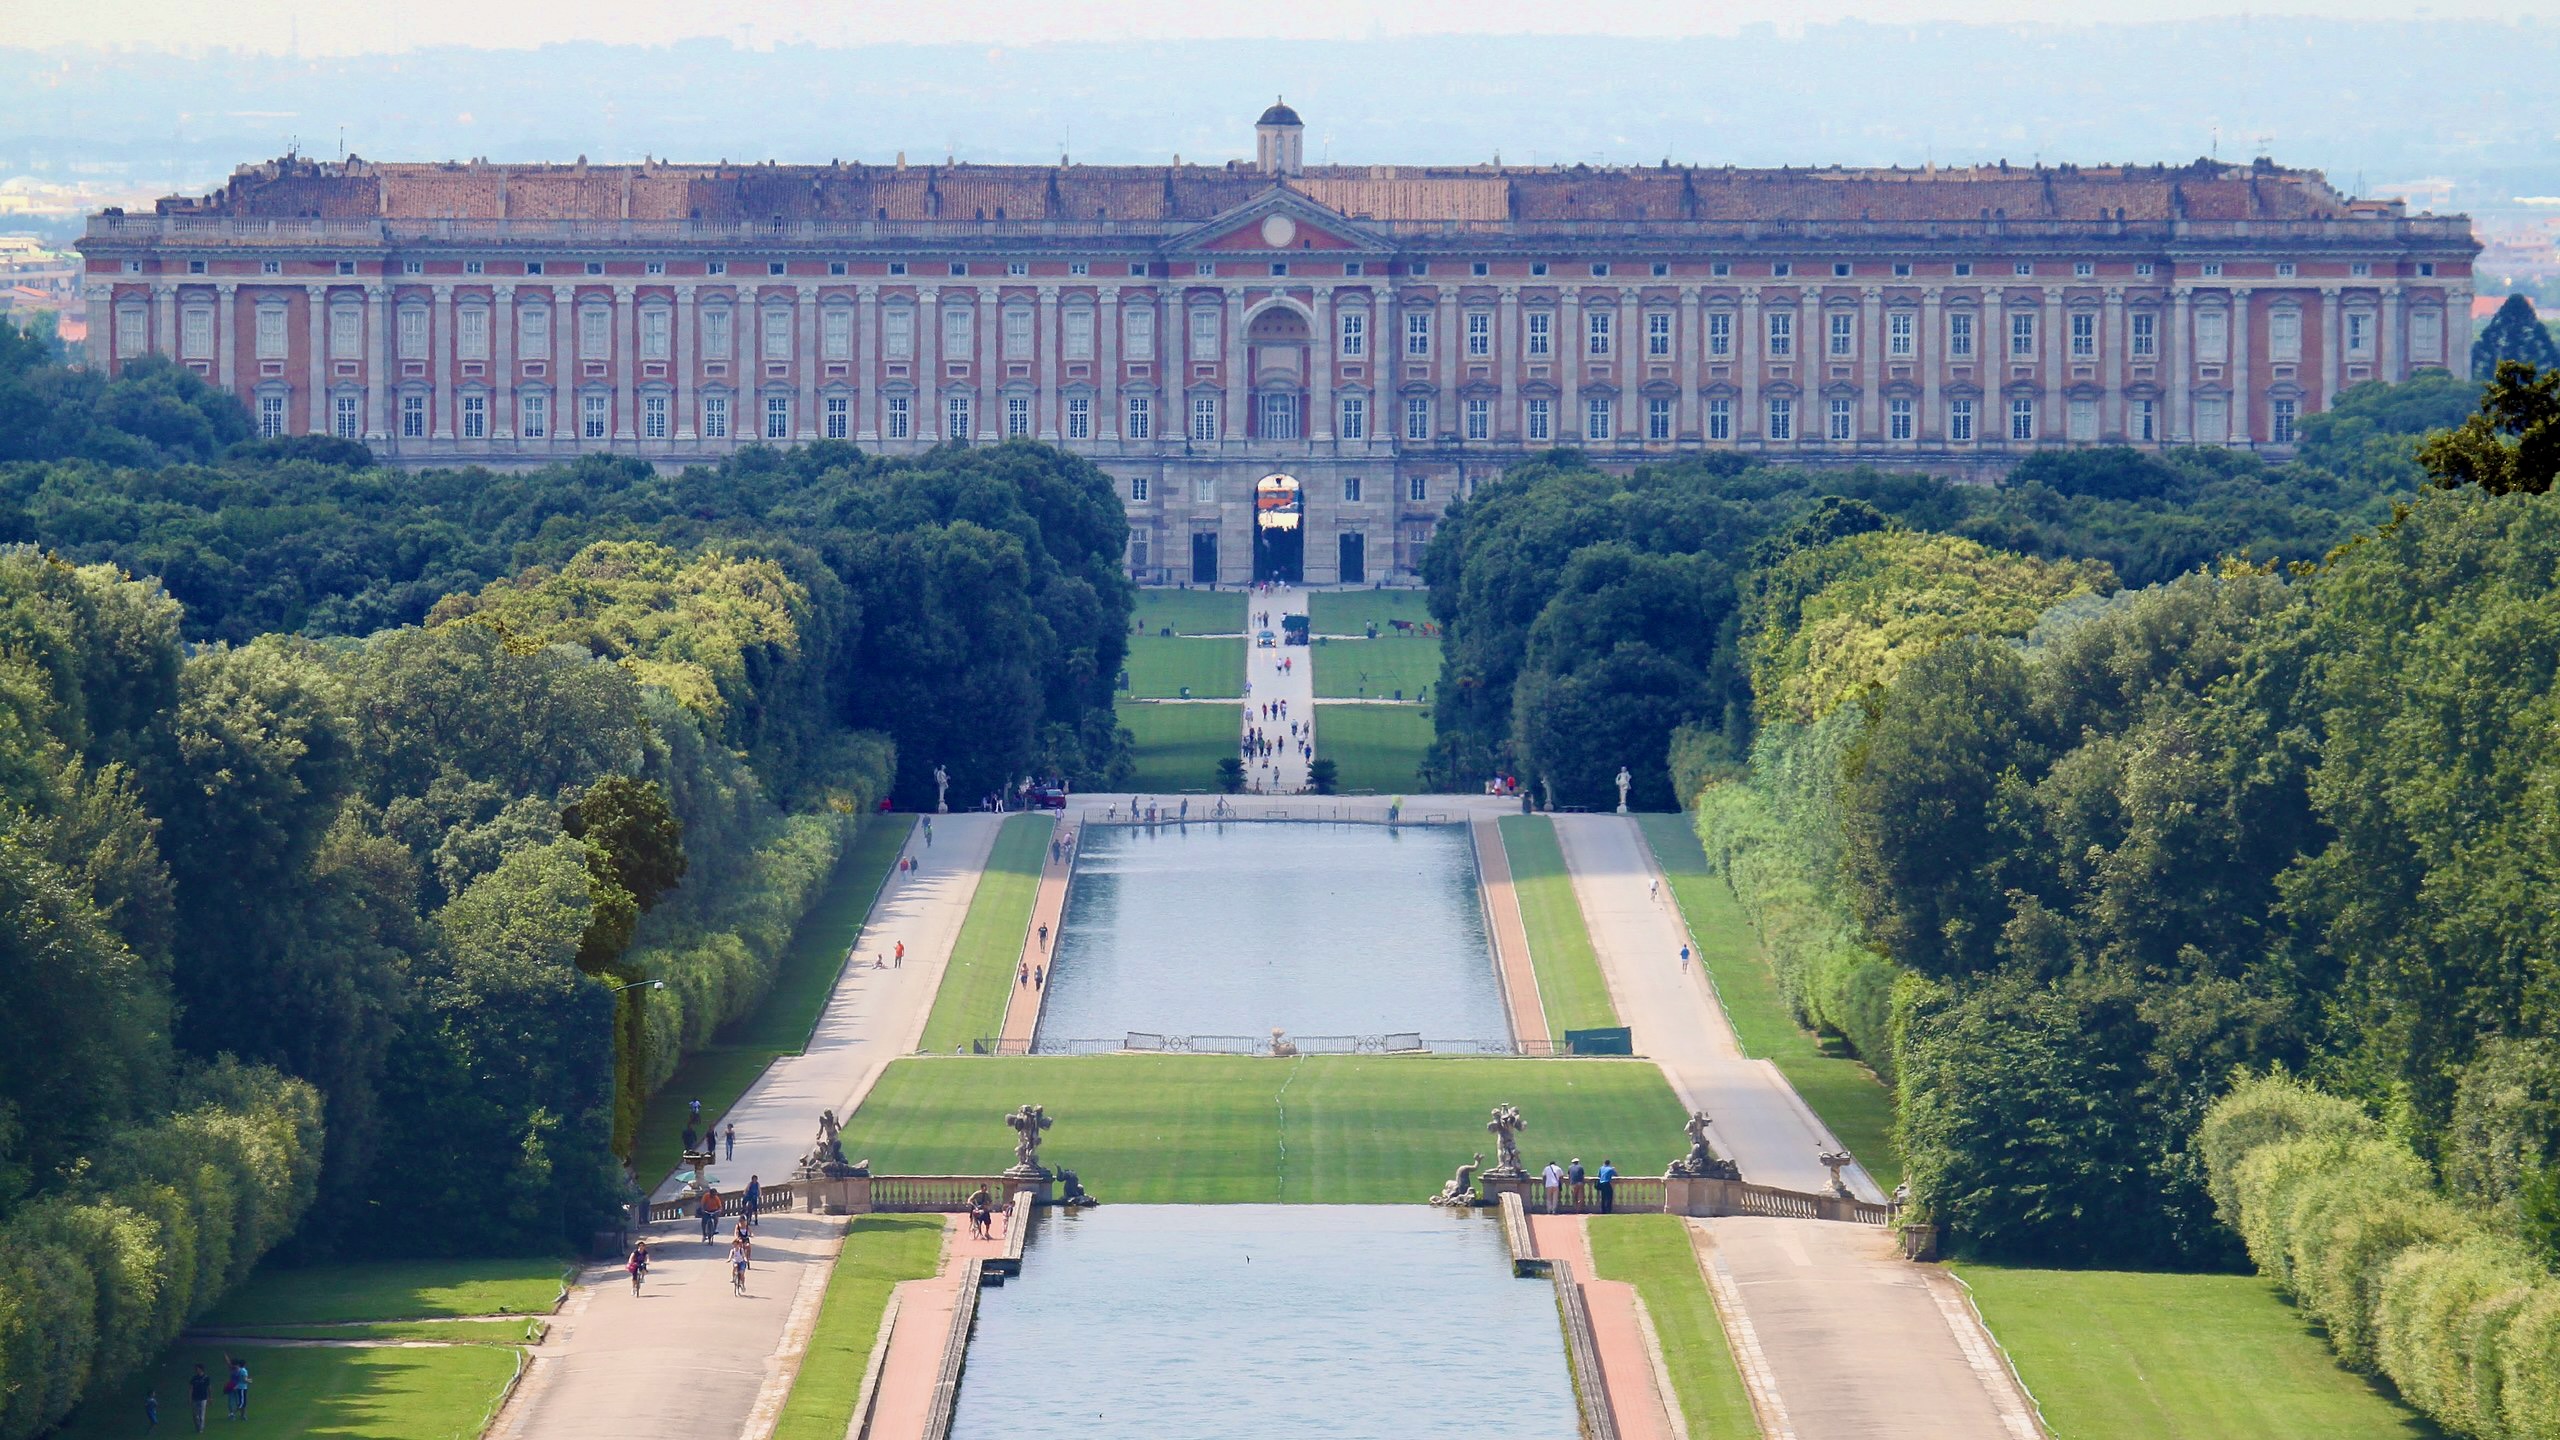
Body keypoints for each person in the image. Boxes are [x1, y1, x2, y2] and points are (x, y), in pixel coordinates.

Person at [189, 1365, 212, 1432]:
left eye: (198, 1369)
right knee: (195, 1415)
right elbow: (191, 1388)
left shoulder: (206, 1378)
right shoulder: (194, 1378)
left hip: (203, 1398)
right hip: (195, 1398)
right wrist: (190, 1398)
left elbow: (209, 1387)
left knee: (202, 1414)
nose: (196, 1370)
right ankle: (197, 1426)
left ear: (201, 1369)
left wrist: (210, 1397)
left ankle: (201, 1428)